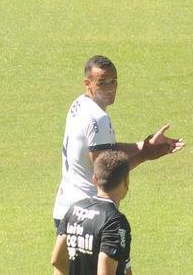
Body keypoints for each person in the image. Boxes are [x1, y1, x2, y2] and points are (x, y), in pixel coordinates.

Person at [49, 55, 183, 274]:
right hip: (95, 214)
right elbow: (107, 171)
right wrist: (145, 154)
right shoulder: (98, 118)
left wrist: (143, 145)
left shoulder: (79, 105)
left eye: (114, 81)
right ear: (88, 83)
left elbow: (105, 148)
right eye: (102, 83)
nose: (110, 88)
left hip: (69, 210)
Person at [60, 150, 132, 275]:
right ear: (126, 182)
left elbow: (57, 260)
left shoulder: (74, 209)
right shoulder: (114, 221)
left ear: (94, 179)